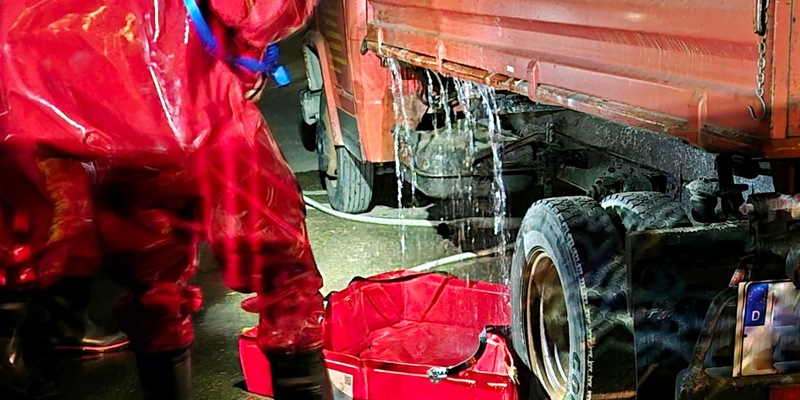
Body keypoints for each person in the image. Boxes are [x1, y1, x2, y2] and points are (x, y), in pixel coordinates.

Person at [0, 0, 333, 399]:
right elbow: (260, 11)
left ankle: (32, 358)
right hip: (189, 103)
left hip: (63, 114)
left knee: (146, 289)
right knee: (282, 274)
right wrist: (249, 57)